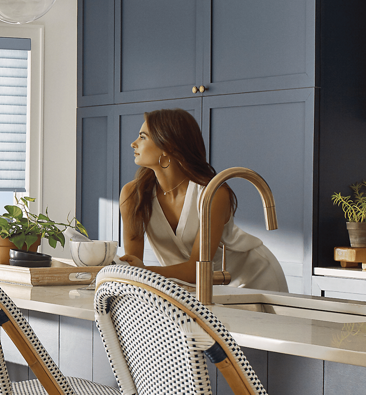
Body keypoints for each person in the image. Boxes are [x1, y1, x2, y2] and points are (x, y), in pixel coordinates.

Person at [117, 108, 288, 292]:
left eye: (143, 137)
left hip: (254, 277)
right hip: (199, 288)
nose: (133, 144)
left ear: (168, 147)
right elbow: (132, 265)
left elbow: (195, 270)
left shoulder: (213, 193)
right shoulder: (133, 195)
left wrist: (144, 271)